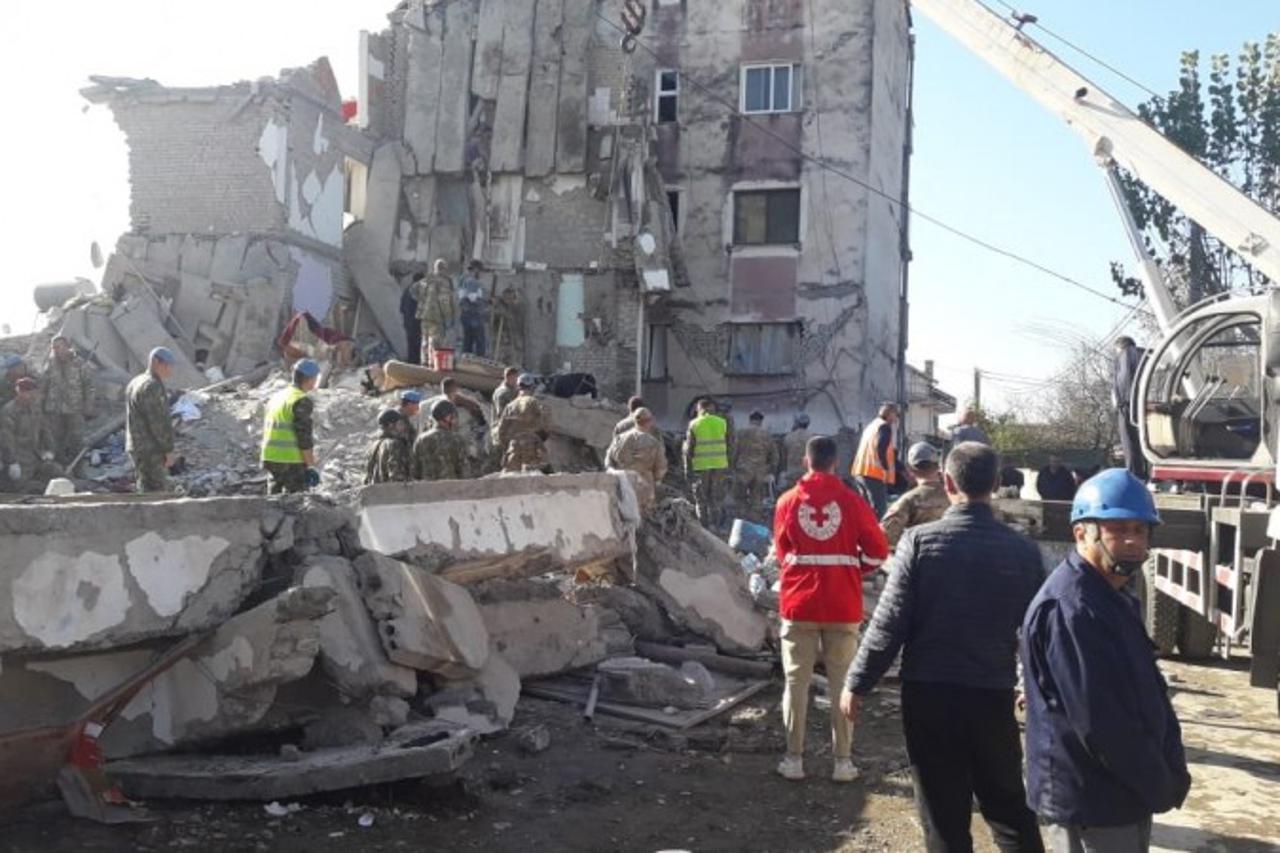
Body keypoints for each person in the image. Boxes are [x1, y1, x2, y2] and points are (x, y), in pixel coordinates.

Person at [843, 442, 1046, 853]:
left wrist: (857, 682)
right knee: (1008, 805)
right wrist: (1034, 683)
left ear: (948, 483)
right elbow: (1038, 630)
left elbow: (889, 623)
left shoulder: (919, 542)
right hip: (992, 693)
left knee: (943, 813)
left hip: (929, 695)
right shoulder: (1023, 551)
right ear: (995, 483)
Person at [1022, 470, 1190, 852]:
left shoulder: (1112, 596)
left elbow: (1146, 691)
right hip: (1091, 802)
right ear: (1082, 533)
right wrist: (1157, 781)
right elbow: (1101, 723)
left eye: (1140, 529)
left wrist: (1170, 764)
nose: (1133, 540)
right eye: (1118, 529)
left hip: (1122, 793)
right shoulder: (1072, 609)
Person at [774, 436, 889, 783]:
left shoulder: (786, 502)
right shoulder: (853, 502)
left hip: (799, 604)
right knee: (842, 683)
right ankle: (843, 763)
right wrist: (852, 569)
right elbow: (878, 551)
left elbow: (782, 553)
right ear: (836, 463)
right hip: (842, 603)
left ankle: (793, 760)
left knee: (796, 682)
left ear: (806, 461)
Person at [260, 358, 321, 494]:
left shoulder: (277, 397)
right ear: (310, 379)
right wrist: (311, 466)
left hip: (270, 457)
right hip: (290, 460)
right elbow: (303, 436)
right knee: (297, 500)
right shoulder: (301, 400)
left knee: (273, 499)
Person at [125, 347, 178, 494]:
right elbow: (158, 423)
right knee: (158, 491)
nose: (169, 370)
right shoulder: (152, 386)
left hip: (136, 446)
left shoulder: (136, 382)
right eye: (166, 365)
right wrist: (168, 450)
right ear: (155, 362)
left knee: (144, 489)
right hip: (151, 449)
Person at [880, 442, 949, 549]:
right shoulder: (954, 496)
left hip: (919, 554)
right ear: (937, 467)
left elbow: (886, 534)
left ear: (910, 470)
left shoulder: (909, 500)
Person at [0, 377, 61, 493]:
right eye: (29, 393)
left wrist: (50, 450)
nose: (33, 396)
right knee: (21, 487)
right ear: (20, 392)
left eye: (34, 393)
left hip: (36, 456)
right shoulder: (9, 411)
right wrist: (12, 462)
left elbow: (45, 431)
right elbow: (7, 440)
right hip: (20, 459)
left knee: (57, 473)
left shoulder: (35, 409)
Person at [41, 334, 95, 465]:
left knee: (77, 440)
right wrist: (41, 406)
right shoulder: (50, 364)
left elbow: (89, 386)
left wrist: (88, 406)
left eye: (58, 347)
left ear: (67, 347)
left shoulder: (79, 363)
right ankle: (61, 468)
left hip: (74, 409)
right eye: (53, 348)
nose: (55, 350)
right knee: (55, 441)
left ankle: (78, 467)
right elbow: (43, 386)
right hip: (54, 410)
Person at [606, 407, 667, 509]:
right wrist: (657, 480)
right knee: (644, 514)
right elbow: (661, 467)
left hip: (623, 484)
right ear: (648, 422)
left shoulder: (619, 439)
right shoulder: (653, 443)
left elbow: (609, 461)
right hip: (644, 486)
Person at [684, 398, 730, 530]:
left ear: (700, 409)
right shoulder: (722, 423)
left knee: (701, 499)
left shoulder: (694, 424)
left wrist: (688, 470)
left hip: (701, 466)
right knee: (716, 498)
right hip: (720, 466)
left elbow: (688, 450)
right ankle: (717, 527)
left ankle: (704, 528)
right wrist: (729, 465)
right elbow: (730, 444)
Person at [496, 373, 551, 473]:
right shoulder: (536, 403)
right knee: (535, 478)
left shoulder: (510, 406)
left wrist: (508, 446)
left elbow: (501, 431)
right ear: (532, 387)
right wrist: (541, 438)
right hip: (533, 449)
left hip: (514, 449)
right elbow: (545, 426)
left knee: (513, 478)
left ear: (518, 387)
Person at [852, 403, 899, 518]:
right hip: (874, 474)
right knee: (880, 511)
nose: (896, 419)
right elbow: (881, 447)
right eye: (895, 415)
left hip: (860, 472)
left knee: (866, 510)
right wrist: (885, 469)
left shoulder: (872, 426)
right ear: (890, 414)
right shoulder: (884, 427)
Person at [732, 410, 778, 524]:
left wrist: (732, 467)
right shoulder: (767, 434)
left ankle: (741, 523)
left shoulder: (741, 432)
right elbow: (774, 455)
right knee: (757, 499)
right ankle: (755, 523)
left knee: (740, 498)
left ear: (750, 420)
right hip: (760, 471)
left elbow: (734, 451)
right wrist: (771, 470)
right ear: (761, 421)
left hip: (743, 470)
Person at [1113, 336, 1148, 480]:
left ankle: (1135, 474)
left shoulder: (1126, 355)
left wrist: (1121, 401)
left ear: (1120, 347)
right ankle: (1144, 471)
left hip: (1128, 403)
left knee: (1129, 440)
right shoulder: (1143, 355)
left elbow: (1123, 380)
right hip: (1141, 402)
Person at [414, 399, 473, 481]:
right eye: (452, 416)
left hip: (427, 487)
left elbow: (415, 470)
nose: (455, 419)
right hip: (451, 487)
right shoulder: (457, 439)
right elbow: (464, 471)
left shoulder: (421, 439)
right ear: (447, 417)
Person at [414, 258, 458, 364]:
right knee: (434, 341)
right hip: (436, 316)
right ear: (443, 269)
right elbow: (444, 301)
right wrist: (449, 316)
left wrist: (422, 302)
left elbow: (413, 290)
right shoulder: (443, 282)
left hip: (424, 315)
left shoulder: (426, 280)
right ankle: (432, 363)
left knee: (424, 340)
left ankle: (424, 362)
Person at [364, 409, 412, 485]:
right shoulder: (394, 444)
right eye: (400, 424)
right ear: (391, 425)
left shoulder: (374, 446)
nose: (403, 427)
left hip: (375, 490)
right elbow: (397, 477)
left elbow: (368, 477)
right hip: (390, 491)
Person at [458, 261, 489, 357]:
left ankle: (466, 362)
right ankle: (480, 363)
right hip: (473, 315)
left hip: (466, 314)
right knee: (480, 342)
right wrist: (488, 301)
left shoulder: (463, 279)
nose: (482, 274)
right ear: (476, 270)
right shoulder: (471, 281)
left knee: (468, 341)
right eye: (481, 271)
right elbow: (473, 298)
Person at [780, 413, 812, 491]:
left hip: (791, 475)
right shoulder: (812, 437)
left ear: (796, 423)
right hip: (807, 474)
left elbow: (783, 458)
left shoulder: (788, 437)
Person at [399, 273, 422, 365]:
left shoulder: (406, 291)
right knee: (417, 346)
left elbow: (401, 309)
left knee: (411, 345)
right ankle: (416, 364)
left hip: (408, 323)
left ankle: (411, 364)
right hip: (416, 324)